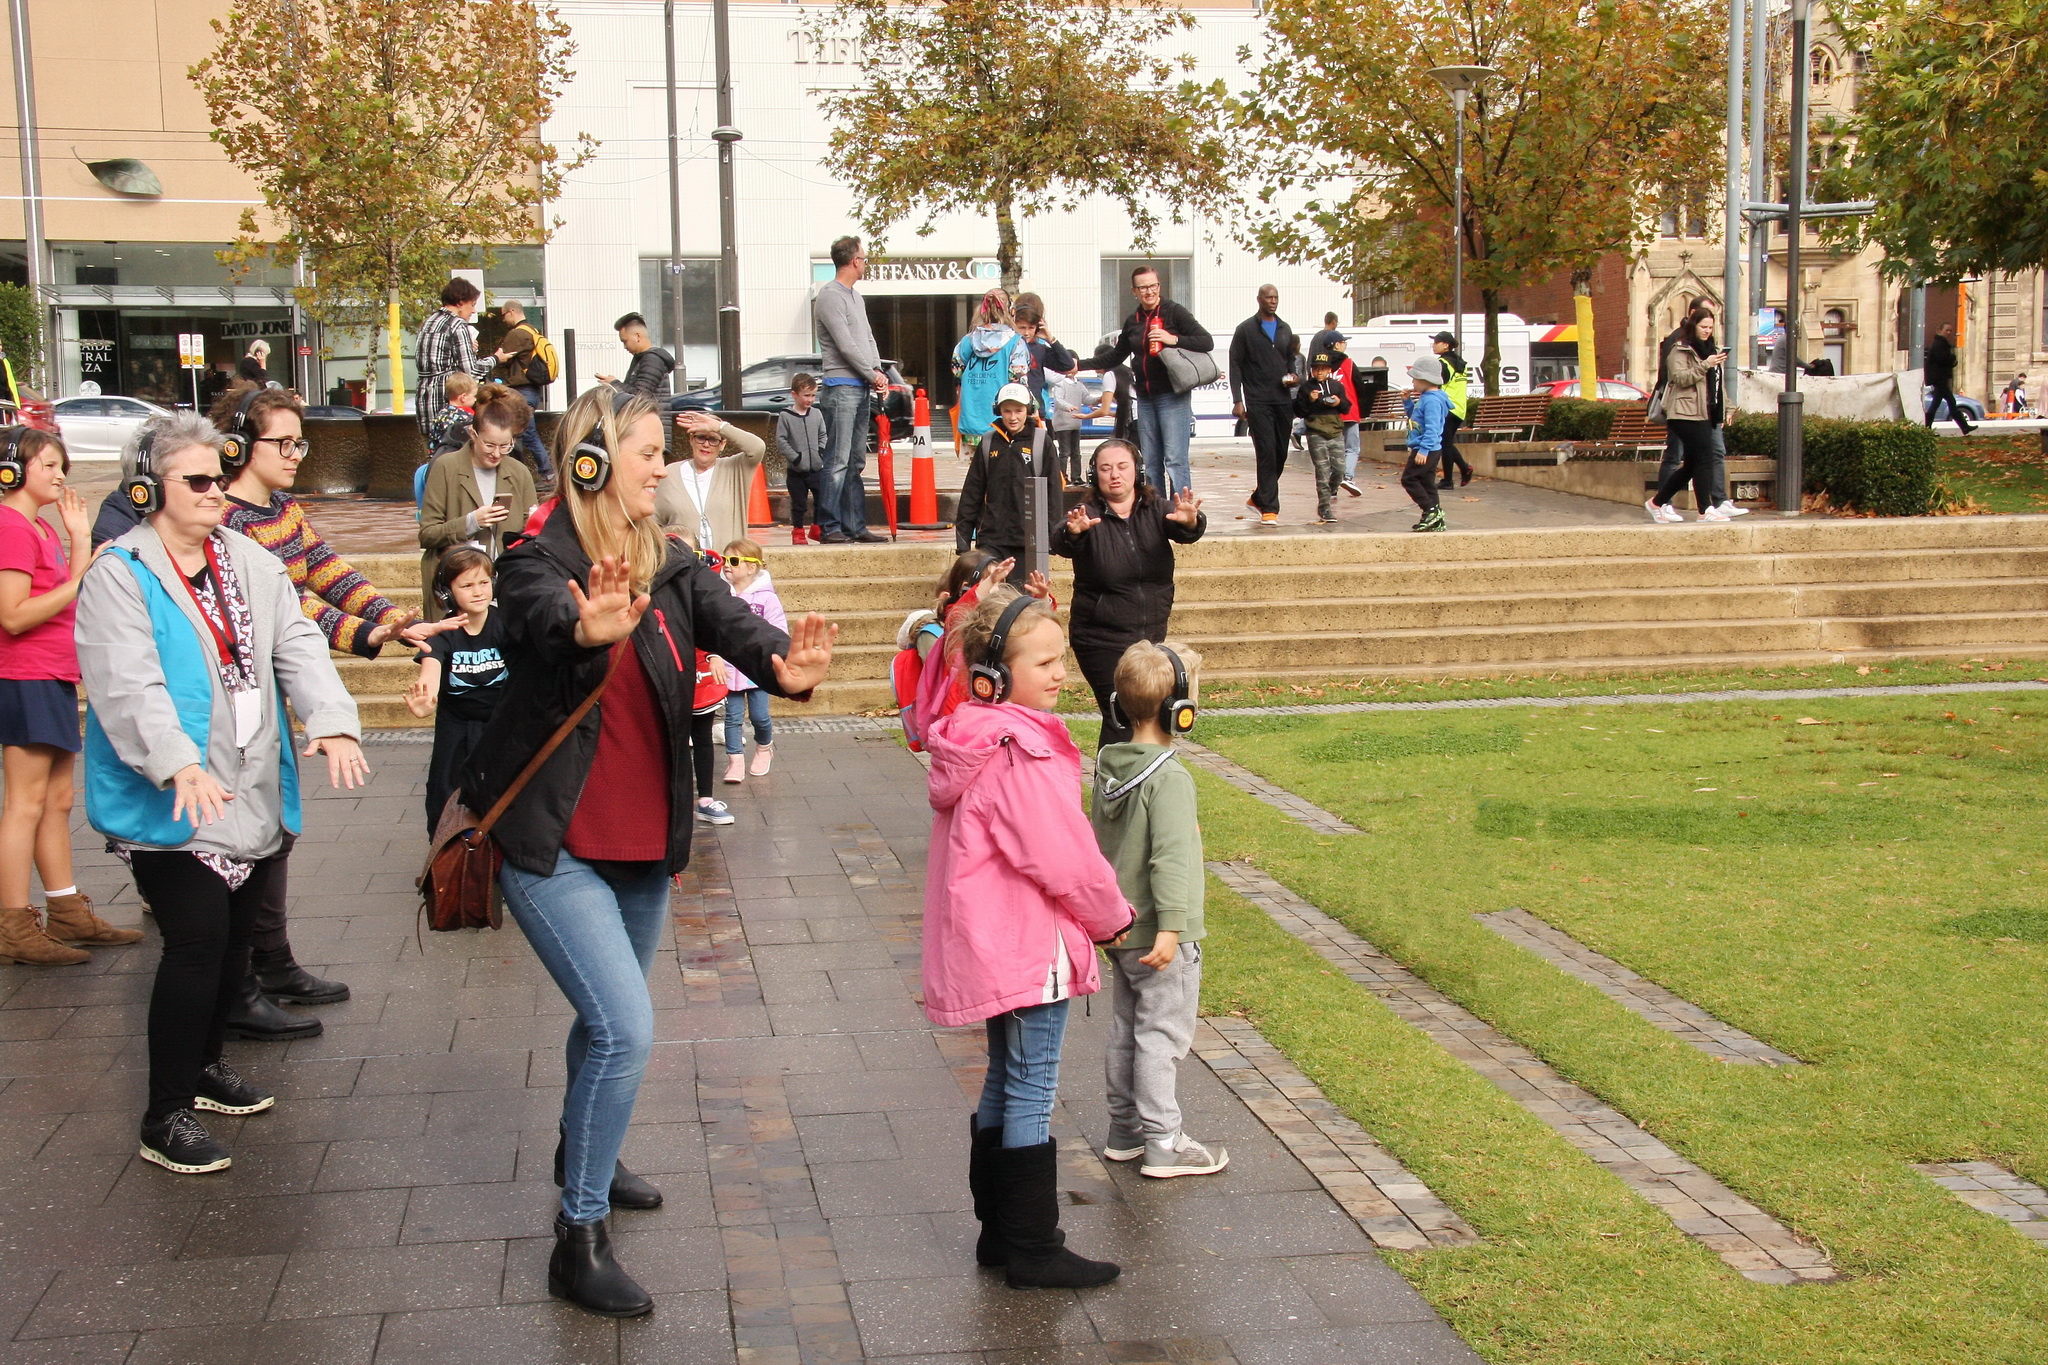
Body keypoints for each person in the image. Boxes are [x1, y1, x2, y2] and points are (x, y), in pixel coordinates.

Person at [461, 385, 835, 1316]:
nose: (661, 465)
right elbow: (536, 621)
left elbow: (733, 622)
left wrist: (783, 666)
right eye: (645, 451)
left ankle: (582, 1149)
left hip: (642, 841)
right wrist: (584, 629)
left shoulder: (667, 561)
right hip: (554, 843)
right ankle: (577, 1236)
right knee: (626, 1028)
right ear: (590, 462)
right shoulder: (536, 562)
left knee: (603, 1021)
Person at [75, 411, 368, 1175]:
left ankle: (204, 1066)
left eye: (219, 477)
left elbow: (297, 642)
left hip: (248, 788)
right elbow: (125, 682)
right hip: (171, 798)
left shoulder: (249, 560)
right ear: (150, 488)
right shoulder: (120, 572)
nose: (215, 492)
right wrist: (176, 762)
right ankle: (164, 1112)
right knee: (197, 941)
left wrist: (333, 720)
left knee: (235, 943)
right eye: (198, 480)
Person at [922, 586, 1133, 1290]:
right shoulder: (1020, 749)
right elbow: (1063, 857)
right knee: (1033, 1082)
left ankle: (1001, 1233)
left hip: (994, 945)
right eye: (1043, 663)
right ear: (993, 675)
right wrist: (1113, 917)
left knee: (1005, 1074)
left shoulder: (976, 733)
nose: (1060, 674)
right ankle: (1034, 1247)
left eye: (1060, 659)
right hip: (1027, 945)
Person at [218, 384, 435, 1033]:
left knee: (275, 824)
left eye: (300, 443)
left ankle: (270, 961)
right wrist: (370, 633)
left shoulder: (282, 508)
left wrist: (392, 618)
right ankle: (242, 979)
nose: (295, 454)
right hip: (235, 697)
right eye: (283, 443)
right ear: (238, 446)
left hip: (271, 691)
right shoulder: (224, 519)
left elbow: (326, 569)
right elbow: (289, 602)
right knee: (249, 829)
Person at [0, 427, 138, 965]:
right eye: (50, 465)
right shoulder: (11, 527)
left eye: (63, 466)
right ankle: (13, 924)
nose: (61, 476)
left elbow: (61, 597)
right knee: (25, 803)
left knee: (56, 800)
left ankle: (66, 911)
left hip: (50, 676)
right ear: (12, 470)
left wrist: (78, 542)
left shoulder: (34, 526)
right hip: (25, 677)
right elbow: (14, 616)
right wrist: (82, 572)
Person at [1092, 639, 1225, 1180]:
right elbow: (1169, 859)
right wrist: (1172, 927)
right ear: (1180, 711)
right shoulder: (1169, 777)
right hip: (1162, 936)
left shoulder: (1109, 765)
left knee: (1128, 1028)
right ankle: (1164, 1140)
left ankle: (1125, 1130)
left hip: (1124, 929)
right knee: (1162, 1035)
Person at [1050, 438, 1205, 746]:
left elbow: (1185, 528)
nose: (1114, 475)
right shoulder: (1087, 514)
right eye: (1105, 468)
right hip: (1100, 638)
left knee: (1147, 716)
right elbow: (1061, 539)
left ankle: (1138, 773)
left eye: (1122, 466)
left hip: (1150, 635)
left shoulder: (1156, 508)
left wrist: (1192, 521)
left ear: (1138, 471)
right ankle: (1111, 776)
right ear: (1095, 474)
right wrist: (1072, 532)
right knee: (1120, 714)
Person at [1086, 268, 1214, 498]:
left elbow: (1206, 341)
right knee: (1150, 460)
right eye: (1143, 287)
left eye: (1153, 286)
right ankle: (1156, 508)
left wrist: (1173, 339)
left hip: (1173, 396)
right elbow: (1115, 356)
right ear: (1134, 291)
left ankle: (1181, 510)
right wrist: (1079, 365)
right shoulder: (1133, 320)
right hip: (1145, 397)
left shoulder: (1174, 312)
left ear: (1159, 286)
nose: (1149, 292)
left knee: (1175, 459)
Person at [419, 384, 540, 620]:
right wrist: (471, 522)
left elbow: (532, 532)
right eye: (489, 445)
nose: (496, 453)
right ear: (473, 435)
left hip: (504, 584)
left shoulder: (519, 472)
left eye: (505, 446)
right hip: (456, 587)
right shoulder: (446, 467)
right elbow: (427, 534)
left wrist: (535, 526)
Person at [406, 547, 506, 831]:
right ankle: (449, 849)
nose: (478, 592)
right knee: (446, 795)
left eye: (483, 582)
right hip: (457, 729)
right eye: (467, 585)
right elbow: (431, 667)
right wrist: (427, 697)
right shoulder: (442, 633)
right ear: (447, 593)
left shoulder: (507, 624)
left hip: (502, 725)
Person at [813, 236, 890, 544]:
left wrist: (878, 370)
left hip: (860, 387)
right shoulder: (830, 296)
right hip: (841, 386)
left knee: (856, 460)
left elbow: (867, 338)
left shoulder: (855, 297)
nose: (865, 263)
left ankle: (855, 525)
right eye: (864, 257)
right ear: (854, 261)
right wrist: (872, 374)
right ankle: (829, 526)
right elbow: (845, 345)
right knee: (838, 459)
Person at [955, 384, 1058, 586]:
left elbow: (1053, 493)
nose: (1013, 417)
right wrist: (963, 539)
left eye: (1018, 411)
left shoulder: (1041, 442)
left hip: (1029, 540)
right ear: (998, 411)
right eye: (1007, 411)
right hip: (991, 538)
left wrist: (1052, 537)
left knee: (1024, 598)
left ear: (1028, 410)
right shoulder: (988, 443)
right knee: (988, 595)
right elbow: (972, 492)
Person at [1229, 285, 1302, 528]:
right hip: (1257, 400)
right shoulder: (1245, 330)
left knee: (1281, 452)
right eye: (1269, 297)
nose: (1273, 301)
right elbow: (1235, 365)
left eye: (1276, 297)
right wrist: (1237, 399)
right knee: (1266, 451)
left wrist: (1293, 375)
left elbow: (1290, 359)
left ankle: (1260, 496)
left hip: (1282, 399)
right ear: (1259, 299)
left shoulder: (1285, 329)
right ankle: (1270, 508)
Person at [1647, 312, 1726, 523]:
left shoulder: (1711, 350)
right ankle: (1705, 509)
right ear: (1693, 326)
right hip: (1683, 412)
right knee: (1704, 458)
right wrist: (1705, 364)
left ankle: (1656, 503)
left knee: (1693, 463)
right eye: (1703, 327)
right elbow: (1680, 378)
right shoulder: (1680, 349)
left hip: (1704, 412)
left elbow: (1715, 384)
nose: (1707, 331)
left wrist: (1727, 407)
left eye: (1710, 328)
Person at [654, 408, 768, 553]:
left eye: (713, 439)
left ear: (722, 444)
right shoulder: (670, 473)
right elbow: (654, 523)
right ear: (691, 439)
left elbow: (757, 448)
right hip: (684, 562)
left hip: (728, 563)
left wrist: (720, 427)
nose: (706, 444)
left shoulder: (735, 468)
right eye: (701, 437)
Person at [717, 538, 784, 782]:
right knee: (732, 717)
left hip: (758, 670)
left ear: (751, 567)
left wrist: (772, 660)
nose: (727, 565)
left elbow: (778, 631)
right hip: (729, 668)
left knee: (759, 716)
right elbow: (714, 628)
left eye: (734, 561)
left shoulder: (767, 598)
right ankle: (735, 760)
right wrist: (716, 655)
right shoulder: (721, 595)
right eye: (725, 560)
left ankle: (764, 747)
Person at [416, 277, 511, 439]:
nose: (473, 311)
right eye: (472, 304)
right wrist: (495, 358)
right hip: (449, 407)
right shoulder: (457, 325)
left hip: (425, 402)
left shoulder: (429, 321)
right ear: (460, 302)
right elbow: (471, 370)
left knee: (433, 452)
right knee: (455, 452)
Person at [952, 290, 1031, 447]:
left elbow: (956, 371)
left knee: (974, 463)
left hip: (970, 423)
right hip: (1003, 424)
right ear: (1010, 310)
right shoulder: (1015, 342)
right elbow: (1019, 381)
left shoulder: (967, 341)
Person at [492, 301, 555, 482]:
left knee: (525, 434)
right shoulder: (533, 331)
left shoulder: (517, 334)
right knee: (522, 434)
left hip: (521, 392)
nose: (503, 320)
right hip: (533, 391)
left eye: (503, 315)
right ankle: (528, 474)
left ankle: (546, 473)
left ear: (511, 312)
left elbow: (500, 359)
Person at [1294, 351, 1348, 524]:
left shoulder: (1337, 386)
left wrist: (1339, 402)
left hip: (1335, 431)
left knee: (1340, 469)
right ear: (1312, 370)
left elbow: (1346, 407)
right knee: (1322, 471)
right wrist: (1310, 400)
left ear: (1329, 370)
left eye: (1323, 369)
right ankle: (1324, 507)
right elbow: (1299, 411)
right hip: (1315, 432)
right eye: (1316, 369)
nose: (1319, 372)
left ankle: (1330, 491)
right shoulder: (1306, 387)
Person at [1401, 356, 1452, 532]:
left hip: (1425, 448)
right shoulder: (1427, 398)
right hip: (1428, 448)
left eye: (1415, 379)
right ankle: (1436, 520)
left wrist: (1423, 449)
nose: (1413, 383)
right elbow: (1416, 418)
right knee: (1427, 483)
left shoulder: (1432, 400)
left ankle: (1430, 510)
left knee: (1409, 479)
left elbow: (1433, 428)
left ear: (1425, 379)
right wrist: (1408, 402)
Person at [777, 373, 827, 544]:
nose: (810, 399)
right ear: (794, 394)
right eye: (806, 395)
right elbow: (781, 441)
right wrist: (795, 458)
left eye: (813, 395)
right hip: (796, 470)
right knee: (799, 503)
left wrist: (820, 452)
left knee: (821, 498)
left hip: (816, 468)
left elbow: (823, 435)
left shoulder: (816, 414)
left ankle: (816, 527)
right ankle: (798, 530)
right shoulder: (786, 416)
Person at [594, 313, 677, 399]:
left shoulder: (652, 360)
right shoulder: (642, 359)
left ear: (638, 336)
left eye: (625, 341)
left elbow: (641, 396)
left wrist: (614, 383)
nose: (625, 347)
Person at [1012, 302, 1075, 414]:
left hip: (1035, 410)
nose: (1026, 333)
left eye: (1031, 328)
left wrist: (1050, 339)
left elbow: (1067, 365)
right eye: (1022, 328)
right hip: (1011, 407)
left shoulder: (1039, 349)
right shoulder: (1006, 349)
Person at [1342, 348, 1389, 495]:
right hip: (1349, 412)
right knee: (1352, 448)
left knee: (1333, 449)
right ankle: (1347, 476)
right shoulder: (1348, 363)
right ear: (1337, 345)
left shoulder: (1323, 366)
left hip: (1330, 416)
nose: (1345, 345)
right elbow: (1360, 386)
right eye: (1343, 343)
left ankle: (1331, 483)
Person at [1431, 333, 1474, 489]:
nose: (1433, 345)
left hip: (1446, 406)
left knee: (1445, 443)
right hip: (1459, 408)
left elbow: (1436, 383)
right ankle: (1463, 469)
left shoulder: (1442, 363)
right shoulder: (1460, 363)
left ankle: (1449, 480)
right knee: (1446, 442)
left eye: (1437, 342)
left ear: (1446, 345)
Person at [1048, 370, 1102, 485]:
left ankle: (1076, 477)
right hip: (1062, 423)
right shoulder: (1060, 383)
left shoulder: (1079, 384)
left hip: (1076, 423)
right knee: (1064, 452)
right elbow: (1058, 401)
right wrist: (1068, 407)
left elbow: (1087, 399)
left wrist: (1099, 399)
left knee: (1076, 453)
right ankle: (1062, 477)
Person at [1925, 326, 1973, 433]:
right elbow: (1942, 360)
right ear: (1939, 331)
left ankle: (1964, 427)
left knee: (1948, 402)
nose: (1949, 332)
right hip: (1939, 378)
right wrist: (1952, 359)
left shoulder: (1941, 343)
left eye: (1950, 330)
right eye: (1946, 330)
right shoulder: (1939, 344)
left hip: (1940, 378)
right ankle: (1927, 429)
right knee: (1940, 404)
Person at [425, 372, 480, 456]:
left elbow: (433, 439)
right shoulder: (467, 418)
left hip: (439, 456)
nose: (475, 399)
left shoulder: (441, 413)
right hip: (458, 458)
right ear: (463, 397)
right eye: (474, 396)